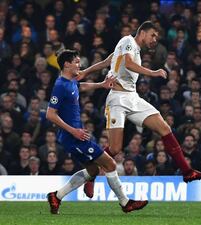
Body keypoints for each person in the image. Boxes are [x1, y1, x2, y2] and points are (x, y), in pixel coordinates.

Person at [78, 21, 201, 188]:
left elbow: (108, 61)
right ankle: (91, 172)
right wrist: (153, 72)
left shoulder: (135, 50)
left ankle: (187, 171)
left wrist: (85, 71)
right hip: (117, 99)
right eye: (153, 35)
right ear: (142, 33)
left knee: (165, 129)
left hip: (133, 97)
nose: (154, 39)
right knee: (115, 148)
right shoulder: (128, 41)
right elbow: (128, 63)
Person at [46, 49, 147, 214]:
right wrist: (74, 131)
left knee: (93, 170)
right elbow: (50, 114)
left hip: (75, 136)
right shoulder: (60, 85)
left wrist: (101, 85)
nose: (80, 64)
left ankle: (56, 196)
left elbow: (80, 86)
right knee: (110, 164)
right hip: (74, 138)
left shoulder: (70, 81)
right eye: (77, 62)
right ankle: (125, 202)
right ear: (66, 64)